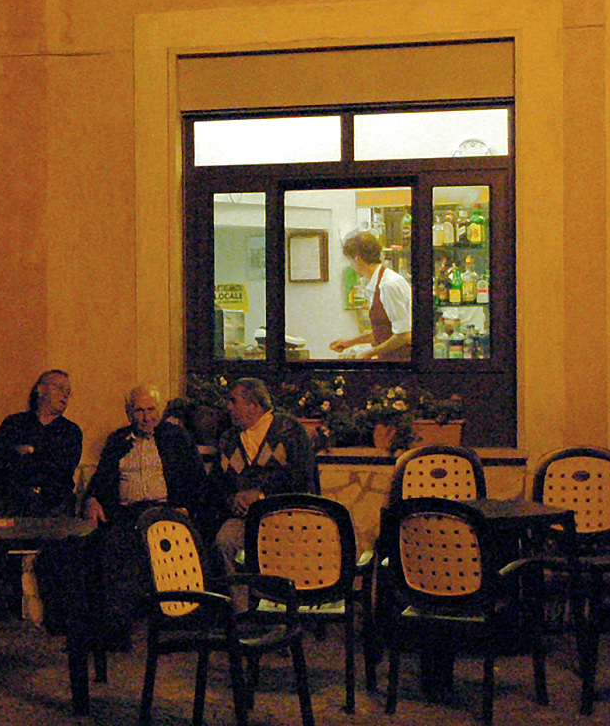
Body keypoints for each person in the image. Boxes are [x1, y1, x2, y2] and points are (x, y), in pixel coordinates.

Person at [74, 384, 207, 648]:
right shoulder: (118, 441)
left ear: (159, 410)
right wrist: (92, 500)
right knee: (112, 546)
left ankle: (180, 620)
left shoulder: (176, 437)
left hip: (166, 511)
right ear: (129, 413)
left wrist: (186, 507)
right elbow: (101, 480)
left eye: (151, 410)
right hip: (128, 512)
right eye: (139, 411)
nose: (146, 417)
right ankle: (116, 627)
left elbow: (198, 482)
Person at [211, 376, 318, 602]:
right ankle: (241, 613)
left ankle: (281, 610)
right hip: (244, 521)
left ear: (254, 406)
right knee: (225, 539)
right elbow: (217, 484)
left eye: (233, 401)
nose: (228, 407)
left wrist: (262, 497)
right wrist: (232, 500)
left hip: (286, 516)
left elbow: (303, 478)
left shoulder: (288, 430)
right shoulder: (229, 439)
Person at [0, 370, 82, 517]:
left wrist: (27, 452)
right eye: (59, 388)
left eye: (68, 391)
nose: (64, 394)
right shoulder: (14, 424)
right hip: (14, 503)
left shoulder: (70, 431)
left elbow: (61, 470)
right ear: (40, 390)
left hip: (54, 507)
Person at [330, 229, 411, 361]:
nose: (351, 266)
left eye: (350, 260)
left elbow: (404, 335)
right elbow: (384, 332)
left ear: (357, 258)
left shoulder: (388, 285)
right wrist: (351, 342)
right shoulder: (377, 281)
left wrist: (369, 353)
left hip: (402, 361)